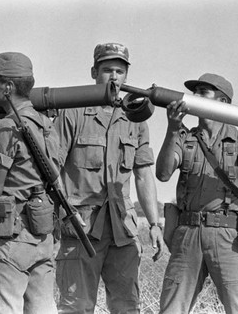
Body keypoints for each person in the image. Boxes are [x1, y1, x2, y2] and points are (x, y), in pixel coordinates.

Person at [156, 73, 238, 314]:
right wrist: (172, 130)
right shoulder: (185, 138)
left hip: (230, 238)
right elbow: (163, 173)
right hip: (188, 235)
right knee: (171, 309)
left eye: (202, 92)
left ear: (222, 102)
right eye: (194, 92)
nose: (194, 97)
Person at [54, 42, 165, 314]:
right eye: (107, 70)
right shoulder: (72, 112)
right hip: (81, 228)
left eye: (120, 71)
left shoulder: (136, 118)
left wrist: (153, 223)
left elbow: (143, 174)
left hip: (123, 230)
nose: (114, 77)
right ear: (94, 72)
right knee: (76, 307)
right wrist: (64, 213)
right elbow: (51, 168)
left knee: (127, 306)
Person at [0, 52, 59, 314]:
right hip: (42, 236)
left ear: (7, 87)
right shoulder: (44, 124)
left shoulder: (7, 127)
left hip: (13, 238)